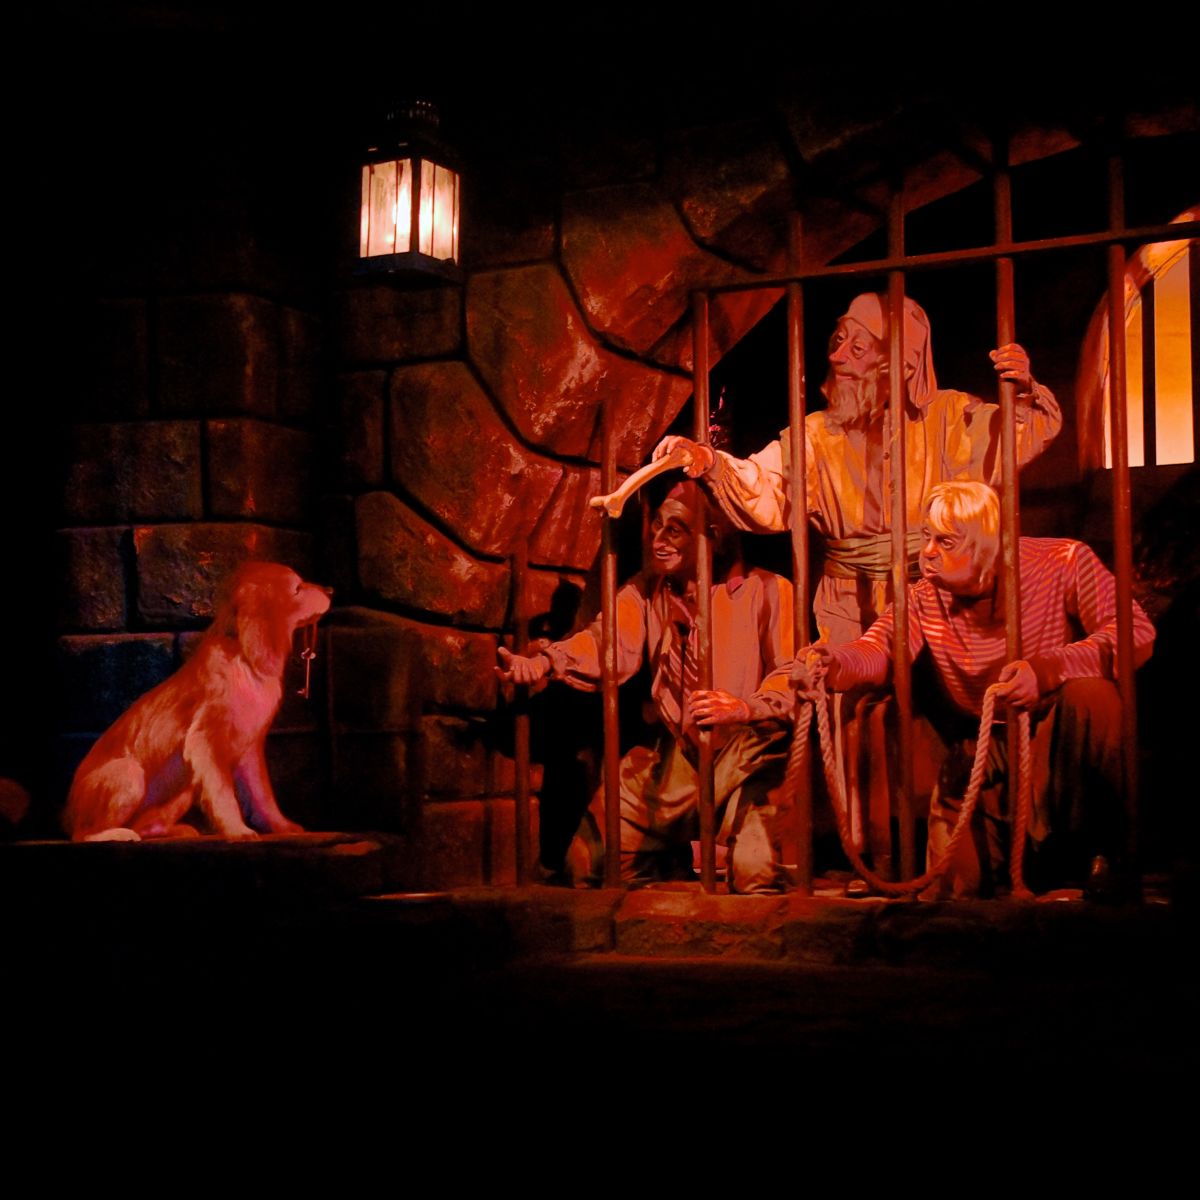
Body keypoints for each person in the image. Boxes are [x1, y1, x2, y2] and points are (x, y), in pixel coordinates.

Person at [791, 481, 1155, 897]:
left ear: (985, 545)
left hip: (1056, 737)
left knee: (1093, 696)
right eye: (927, 536)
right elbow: (881, 648)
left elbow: (1136, 633)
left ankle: (1109, 860)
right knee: (951, 891)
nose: (928, 551)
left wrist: (1049, 669)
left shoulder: (1062, 562)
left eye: (946, 541)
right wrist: (835, 664)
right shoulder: (924, 597)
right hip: (984, 750)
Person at [654, 292, 1062, 643]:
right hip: (848, 608)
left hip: (937, 598)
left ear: (900, 364)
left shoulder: (951, 417)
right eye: (839, 341)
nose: (836, 356)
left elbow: (1020, 436)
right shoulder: (816, 434)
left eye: (858, 348)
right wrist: (709, 461)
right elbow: (766, 485)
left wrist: (1022, 392)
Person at [497, 484, 794, 892]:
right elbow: (606, 640)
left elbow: (789, 674)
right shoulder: (647, 590)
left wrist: (744, 708)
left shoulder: (769, 590)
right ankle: (679, 863)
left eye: (675, 530)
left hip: (748, 753)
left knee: (753, 874)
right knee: (587, 863)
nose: (658, 541)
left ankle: (739, 859)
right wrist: (546, 661)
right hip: (679, 753)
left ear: (710, 536)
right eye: (657, 526)